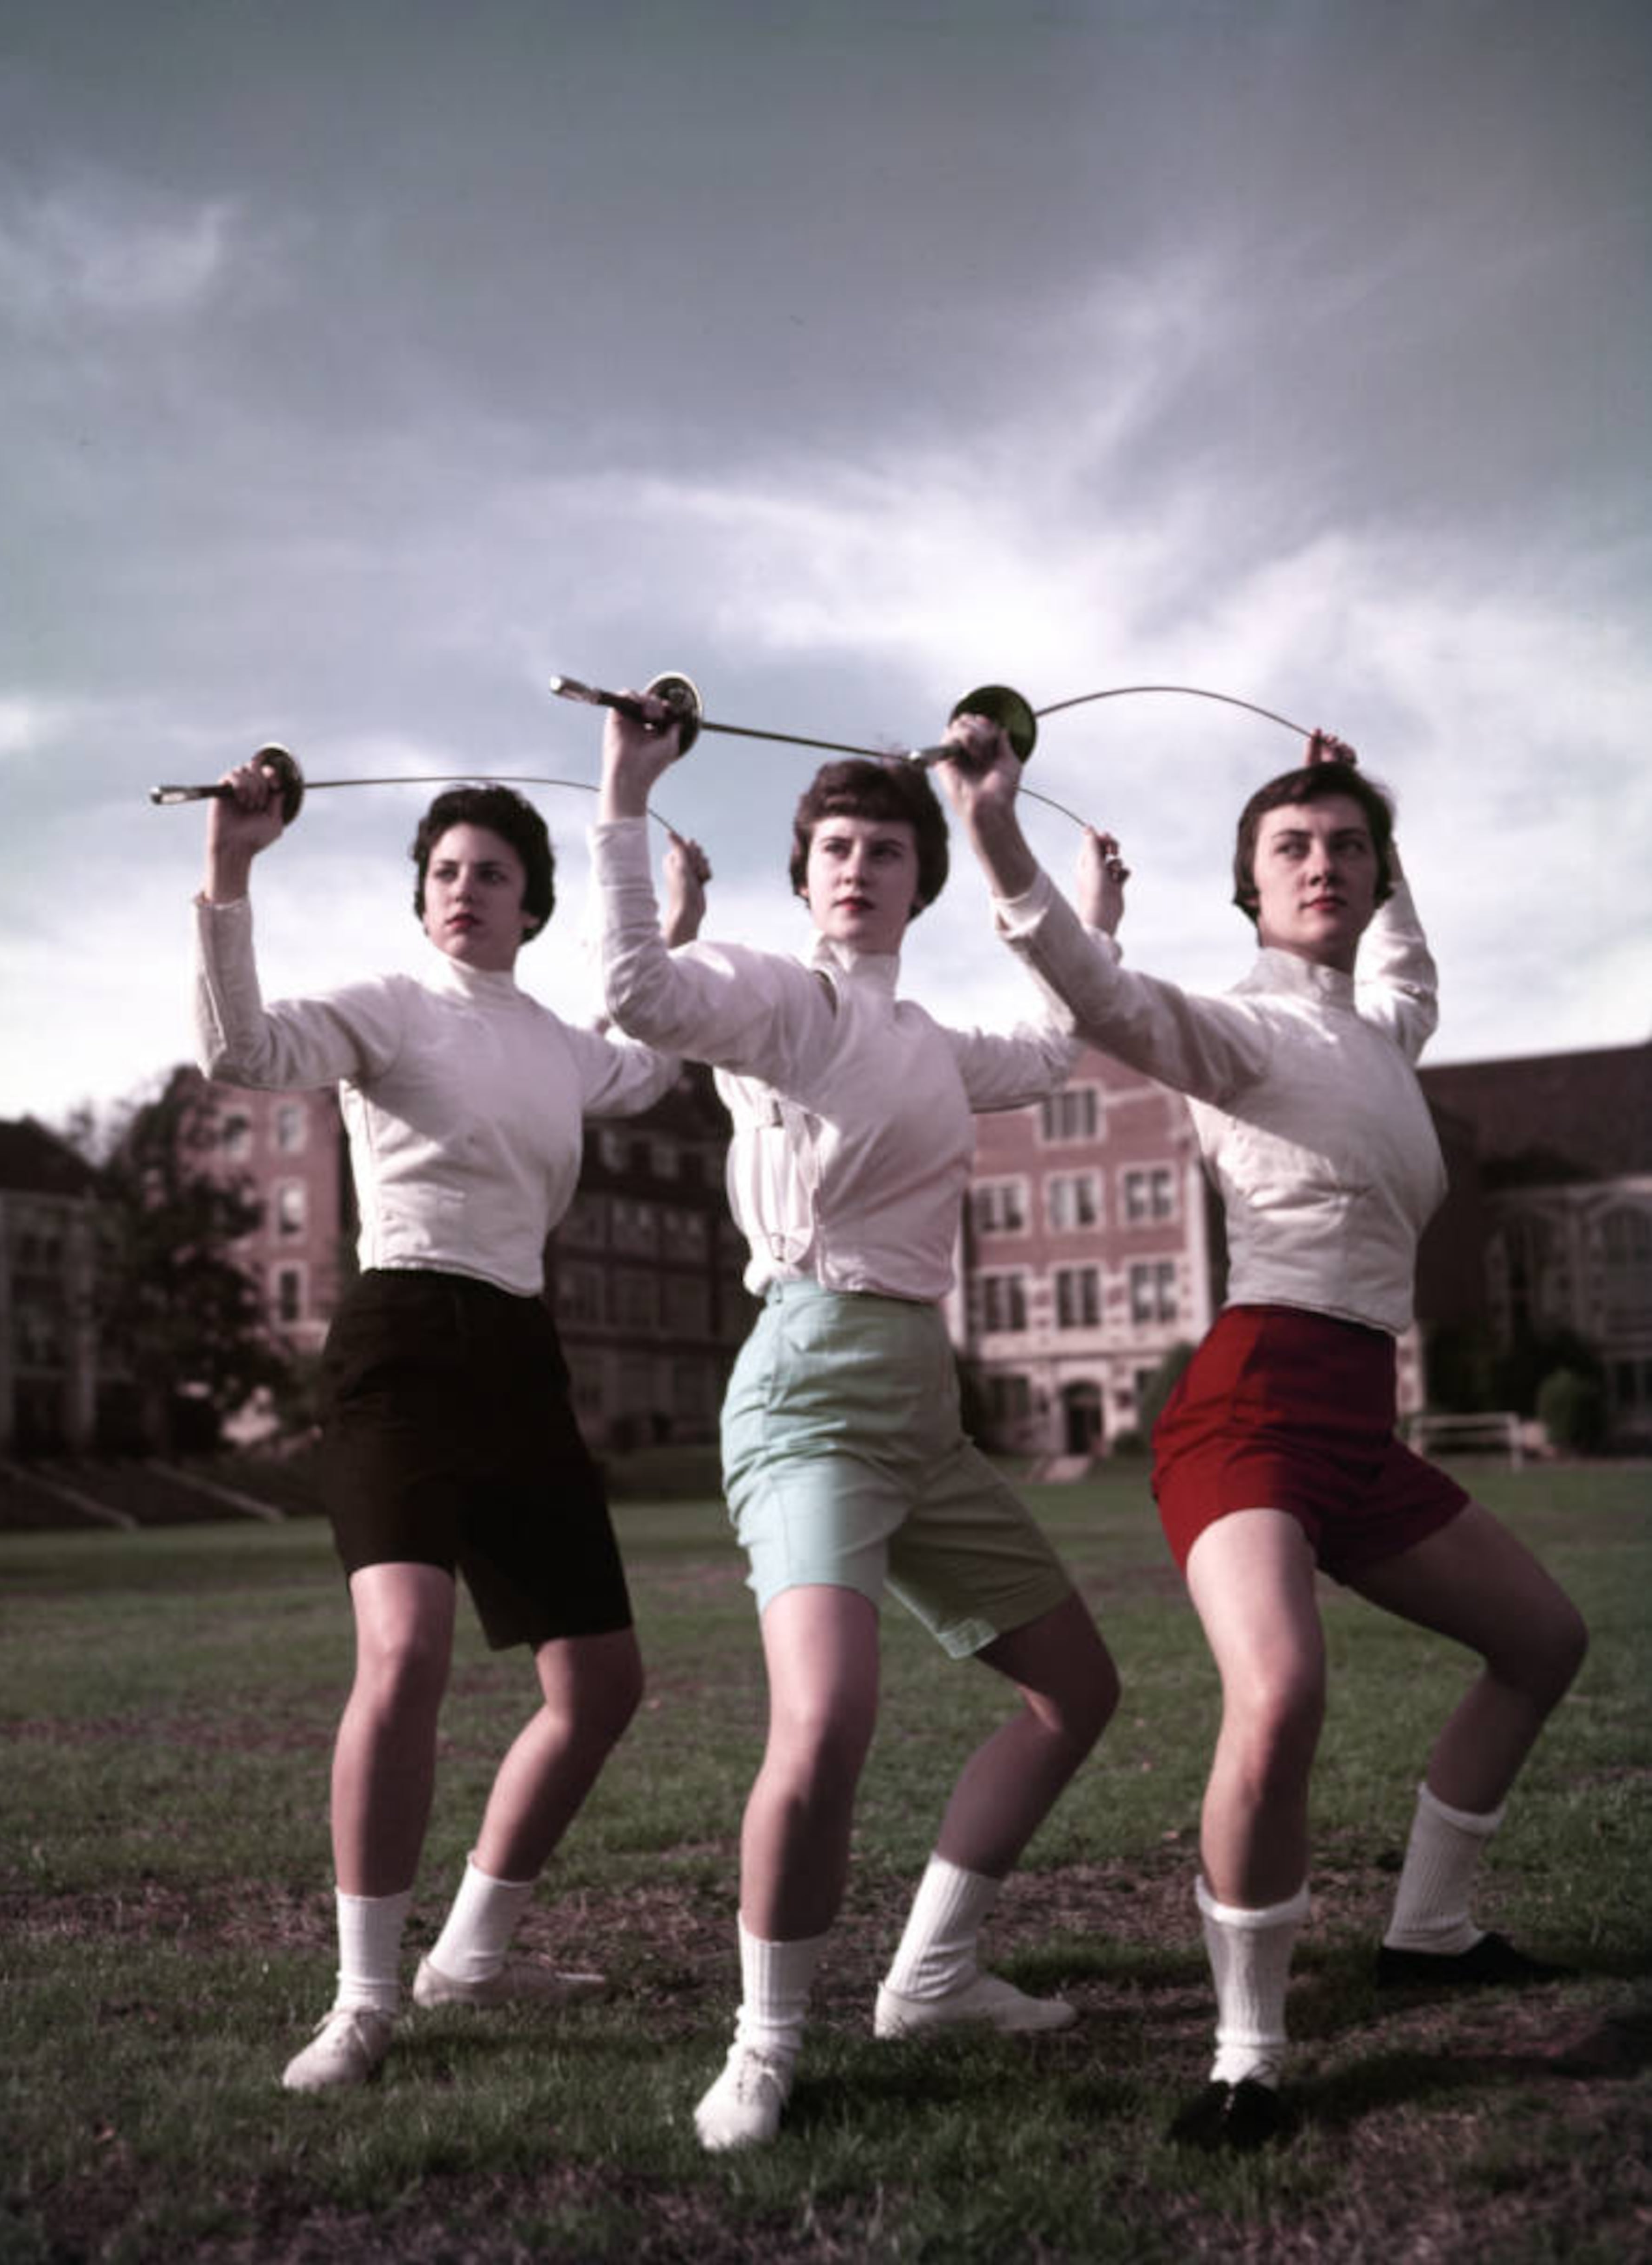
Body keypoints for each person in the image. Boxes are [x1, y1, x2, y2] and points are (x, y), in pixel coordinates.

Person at [936, 716, 1589, 2153]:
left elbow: (1410, 967)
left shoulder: (1381, 1029)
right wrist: (991, 825)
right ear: (1250, 885)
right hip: (1247, 1410)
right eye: (1293, 847)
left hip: (1362, 1422)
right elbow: (1092, 984)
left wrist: (1377, 824)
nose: (1327, 865)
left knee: (1545, 1643)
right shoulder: (1241, 1030)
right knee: (1282, 1692)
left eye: (1350, 847)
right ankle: (1248, 2057)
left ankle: (1430, 1930)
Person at [590, 698, 1124, 2152]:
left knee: (1078, 1691)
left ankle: (934, 1975)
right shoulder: (776, 1000)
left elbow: (1058, 1049)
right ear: (804, 868)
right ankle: (764, 2043)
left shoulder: (934, 1041)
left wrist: (1085, 914)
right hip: (806, 1392)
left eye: (888, 848)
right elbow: (637, 989)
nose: (859, 866)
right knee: (825, 1722)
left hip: (922, 1411)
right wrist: (627, 790)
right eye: (834, 845)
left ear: (919, 877)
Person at [193, 757, 709, 2092]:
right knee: (408, 1649)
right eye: (445, 873)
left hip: (520, 1354)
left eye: (491, 873)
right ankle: (364, 2002)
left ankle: (474, 1949)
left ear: (531, 904)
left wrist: (676, 921)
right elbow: (242, 1050)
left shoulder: (552, 1039)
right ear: (422, 901)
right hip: (401, 1347)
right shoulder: (387, 1007)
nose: (465, 890)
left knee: (601, 1688)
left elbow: (650, 1071)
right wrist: (232, 869)